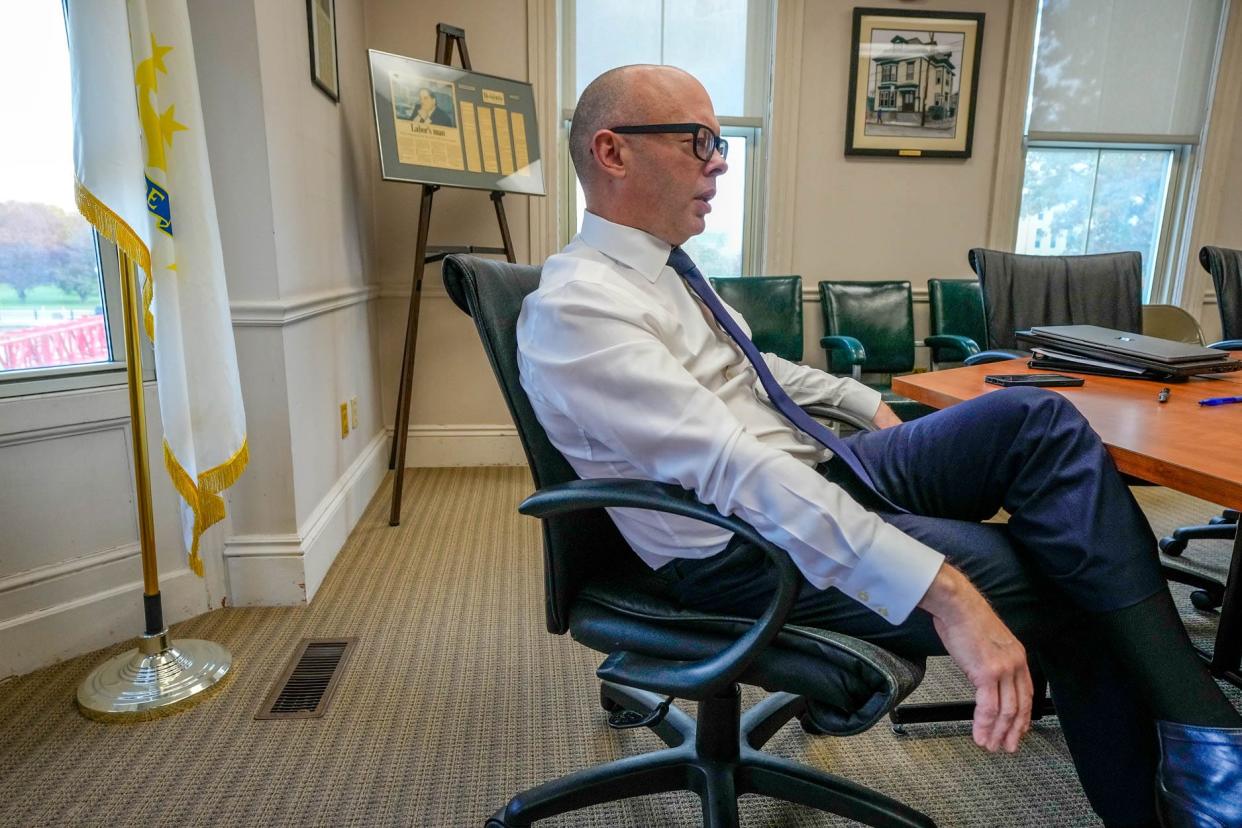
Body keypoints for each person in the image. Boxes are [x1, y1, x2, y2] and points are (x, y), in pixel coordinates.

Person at [515, 64, 1242, 828]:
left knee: (1035, 419)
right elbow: (740, 474)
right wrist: (949, 594)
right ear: (612, 152)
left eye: (719, 140)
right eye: (698, 140)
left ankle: (1202, 728)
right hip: (740, 546)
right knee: (1066, 585)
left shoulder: (663, 272)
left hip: (820, 467)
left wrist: (868, 406)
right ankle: (1197, 776)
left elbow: (758, 374)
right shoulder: (579, 309)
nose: (720, 160)